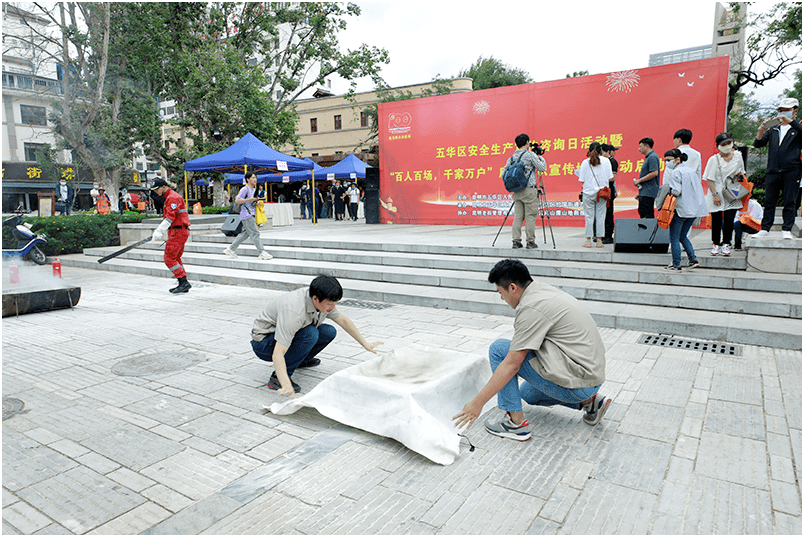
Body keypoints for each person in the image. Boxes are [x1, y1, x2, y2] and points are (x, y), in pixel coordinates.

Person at [452, 259, 610, 440]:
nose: (502, 298)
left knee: (499, 350)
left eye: (500, 292)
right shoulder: (541, 291)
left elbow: (512, 364)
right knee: (526, 393)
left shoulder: (531, 307)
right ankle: (591, 403)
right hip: (591, 378)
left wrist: (476, 404)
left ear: (512, 288)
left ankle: (515, 424)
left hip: (578, 381)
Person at [250, 275, 383, 396]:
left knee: (328, 331)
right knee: (311, 333)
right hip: (264, 343)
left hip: (284, 337)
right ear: (315, 298)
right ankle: (276, 379)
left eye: (335, 303)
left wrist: (365, 344)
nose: (332, 307)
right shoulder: (294, 311)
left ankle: (299, 360)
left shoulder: (320, 300)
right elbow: (278, 353)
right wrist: (285, 383)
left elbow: (343, 320)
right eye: (330, 304)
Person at [753, 97, 802, 239]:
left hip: (791, 170)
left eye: (786, 110)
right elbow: (758, 144)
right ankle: (765, 228)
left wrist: (790, 122)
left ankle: (787, 229)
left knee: (790, 201)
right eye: (781, 110)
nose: (783, 113)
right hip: (773, 170)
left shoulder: (798, 126)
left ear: (795, 111)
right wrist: (761, 131)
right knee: (769, 201)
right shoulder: (774, 128)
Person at [662, 149, 708, 271]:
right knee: (683, 236)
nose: (667, 162)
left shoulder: (676, 172)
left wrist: (667, 193)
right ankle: (693, 259)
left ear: (677, 159)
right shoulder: (691, 171)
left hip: (680, 208)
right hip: (693, 209)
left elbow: (676, 191)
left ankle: (676, 264)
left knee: (674, 237)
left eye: (668, 160)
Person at [502, 134, 547, 249]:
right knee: (530, 216)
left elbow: (503, 174)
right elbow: (541, 168)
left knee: (518, 217)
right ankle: (530, 242)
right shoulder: (529, 155)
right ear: (527, 142)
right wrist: (540, 157)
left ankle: (516, 241)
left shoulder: (511, 158)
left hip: (517, 191)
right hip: (529, 190)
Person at [703, 132, 745, 256]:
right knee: (716, 219)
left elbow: (741, 171)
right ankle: (716, 243)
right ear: (718, 146)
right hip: (716, 191)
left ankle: (726, 243)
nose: (727, 146)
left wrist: (738, 176)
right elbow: (709, 179)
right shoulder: (714, 159)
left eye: (729, 143)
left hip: (732, 190)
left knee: (729, 218)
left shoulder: (738, 156)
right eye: (723, 144)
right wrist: (715, 194)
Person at [151, 178, 191, 293]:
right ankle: (182, 283)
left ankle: (183, 282)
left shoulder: (173, 198)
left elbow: (170, 218)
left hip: (178, 231)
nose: (156, 192)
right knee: (176, 258)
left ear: (164, 187)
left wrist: (159, 231)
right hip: (178, 231)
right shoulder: (169, 197)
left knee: (169, 258)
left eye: (157, 189)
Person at [223, 173, 273, 260]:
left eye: (256, 178)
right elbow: (237, 200)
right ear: (247, 179)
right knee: (255, 233)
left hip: (251, 214)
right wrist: (250, 199)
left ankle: (231, 248)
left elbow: (251, 202)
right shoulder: (245, 189)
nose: (255, 180)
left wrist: (256, 202)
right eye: (253, 178)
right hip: (246, 214)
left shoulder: (254, 190)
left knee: (245, 234)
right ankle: (261, 252)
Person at [578, 142, 613, 248]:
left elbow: (582, 180)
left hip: (588, 192)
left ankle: (588, 241)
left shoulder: (585, 162)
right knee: (601, 217)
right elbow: (609, 177)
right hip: (602, 192)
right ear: (600, 150)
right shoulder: (606, 161)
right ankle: (599, 241)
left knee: (589, 217)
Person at [634, 138, 660, 218]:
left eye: (640, 146)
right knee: (643, 212)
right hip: (645, 191)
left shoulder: (652, 157)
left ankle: (649, 230)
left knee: (647, 214)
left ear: (647, 146)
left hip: (648, 192)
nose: (639, 149)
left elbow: (654, 173)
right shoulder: (649, 157)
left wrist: (639, 181)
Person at [601, 144, 619, 244]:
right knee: (601, 213)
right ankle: (601, 234)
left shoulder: (612, 161)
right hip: (602, 190)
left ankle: (608, 235)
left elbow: (613, 178)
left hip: (608, 190)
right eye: (613, 150)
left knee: (608, 212)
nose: (615, 152)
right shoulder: (602, 161)